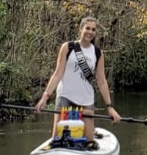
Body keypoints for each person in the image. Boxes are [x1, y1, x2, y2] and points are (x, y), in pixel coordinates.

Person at [34, 16, 121, 146]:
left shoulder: (98, 53)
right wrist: (44, 98)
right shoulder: (67, 47)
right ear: (81, 29)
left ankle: (89, 136)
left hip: (85, 99)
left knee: (89, 142)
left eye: (93, 29)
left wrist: (110, 107)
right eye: (87, 28)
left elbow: (102, 81)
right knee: (56, 139)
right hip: (65, 96)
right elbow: (57, 74)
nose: (90, 32)